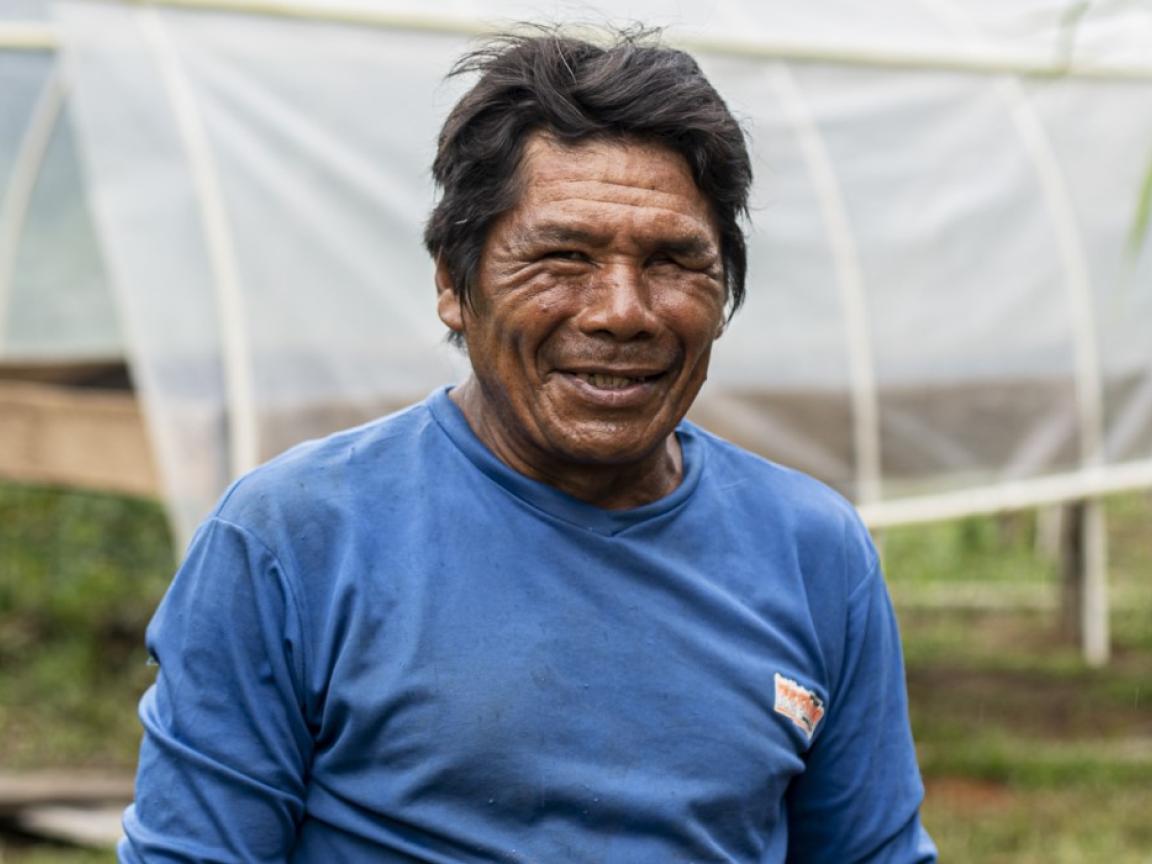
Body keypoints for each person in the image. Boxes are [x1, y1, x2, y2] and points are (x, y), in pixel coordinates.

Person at [120, 27, 937, 863]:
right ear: (452, 280)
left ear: (723, 286)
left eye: (673, 262)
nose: (622, 310)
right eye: (561, 257)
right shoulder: (294, 540)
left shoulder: (813, 551)